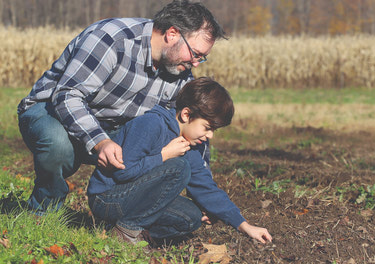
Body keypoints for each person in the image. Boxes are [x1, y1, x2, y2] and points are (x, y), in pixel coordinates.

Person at [17, 0, 225, 215]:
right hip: (52, 112)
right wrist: (100, 141)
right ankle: (43, 209)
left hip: (114, 130)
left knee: (163, 146)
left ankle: (119, 214)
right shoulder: (111, 39)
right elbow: (68, 95)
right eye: (196, 53)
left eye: (202, 58)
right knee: (58, 146)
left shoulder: (181, 75)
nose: (197, 63)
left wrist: (206, 200)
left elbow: (190, 130)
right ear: (172, 34)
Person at [87, 77, 273, 245]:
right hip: (107, 198)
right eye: (208, 127)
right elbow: (122, 171)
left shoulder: (190, 143)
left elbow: (205, 186)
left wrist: (244, 225)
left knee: (191, 216)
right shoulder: (151, 125)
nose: (210, 136)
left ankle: (133, 234)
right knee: (179, 167)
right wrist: (164, 155)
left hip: (133, 199)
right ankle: (126, 232)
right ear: (186, 115)